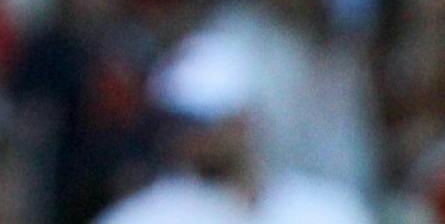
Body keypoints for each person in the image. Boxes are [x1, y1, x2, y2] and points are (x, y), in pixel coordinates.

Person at [89, 32, 371, 224]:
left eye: (209, 120)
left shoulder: (327, 210)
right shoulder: (146, 216)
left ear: (245, 119)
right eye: (185, 123)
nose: (196, 137)